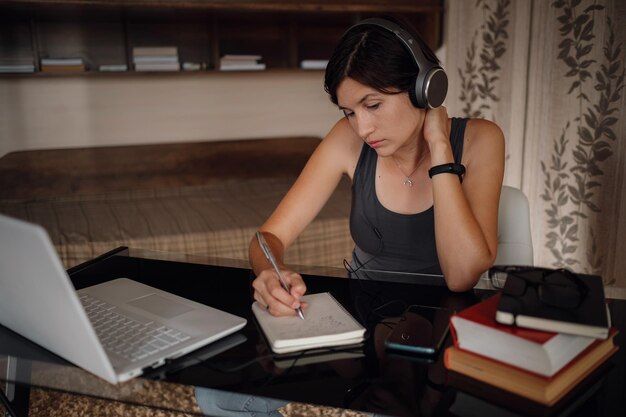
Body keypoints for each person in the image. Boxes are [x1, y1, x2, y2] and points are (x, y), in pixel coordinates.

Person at [249, 16, 505, 317]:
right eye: (350, 113)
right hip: (363, 317)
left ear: (423, 88)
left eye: (372, 106)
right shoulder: (346, 138)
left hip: (447, 322)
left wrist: (439, 145)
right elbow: (268, 237)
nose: (362, 129)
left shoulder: (481, 139)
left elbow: (461, 277)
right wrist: (270, 274)